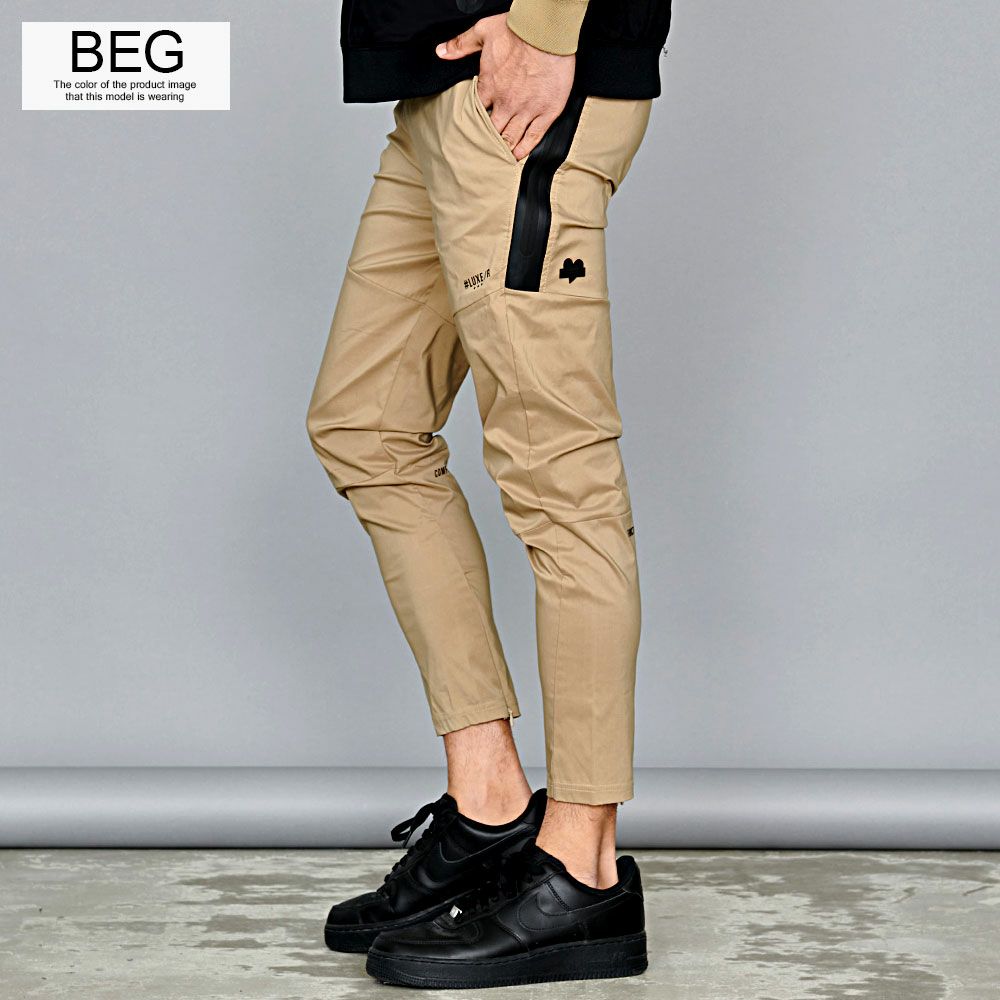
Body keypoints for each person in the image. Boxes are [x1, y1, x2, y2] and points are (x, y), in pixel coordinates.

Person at [307, 0, 671, 988]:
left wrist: (548, 27)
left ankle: (582, 866)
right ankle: (489, 807)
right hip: (439, 86)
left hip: (517, 83)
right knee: (366, 425)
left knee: (562, 481)